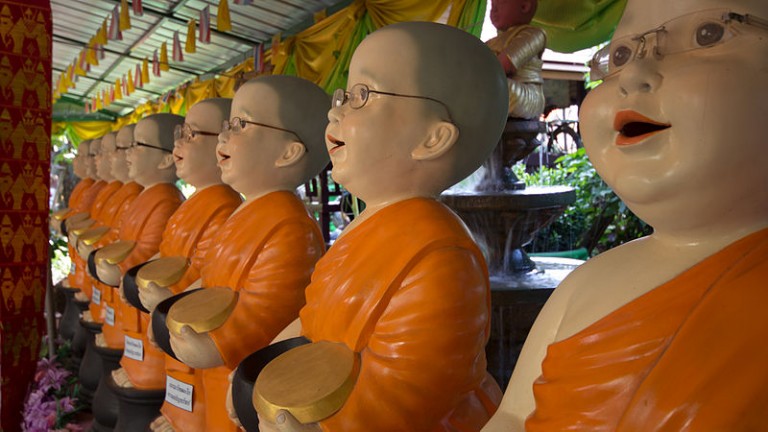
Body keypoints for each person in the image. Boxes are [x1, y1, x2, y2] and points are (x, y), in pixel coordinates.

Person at [482, 0, 768, 430]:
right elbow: (512, 415)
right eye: (620, 55)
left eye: (708, 34)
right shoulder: (586, 283)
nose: (633, 74)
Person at [253, 21, 509, 432]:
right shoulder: (368, 227)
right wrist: (261, 379)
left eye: (361, 96)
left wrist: (314, 425)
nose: (335, 111)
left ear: (432, 138)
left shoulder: (442, 258)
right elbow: (313, 321)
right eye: (343, 95)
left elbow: (405, 395)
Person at [160, 75, 330, 432]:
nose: (225, 136)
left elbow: (268, 310)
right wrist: (171, 309)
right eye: (226, 126)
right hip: (207, 364)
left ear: (288, 153)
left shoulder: (289, 225)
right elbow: (209, 276)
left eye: (240, 125)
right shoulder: (242, 211)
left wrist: (218, 341)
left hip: (242, 374)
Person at [108, 98, 242, 432]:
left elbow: (208, 280)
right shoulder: (187, 204)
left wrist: (163, 294)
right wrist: (138, 279)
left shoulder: (223, 208)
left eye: (191, 134)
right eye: (179, 133)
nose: (180, 141)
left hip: (199, 336)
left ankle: (185, 415)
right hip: (162, 323)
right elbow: (163, 252)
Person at [485, 0, 545, 119]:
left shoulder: (534, 34)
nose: (494, 10)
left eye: (500, 3)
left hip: (526, 94)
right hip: (496, 86)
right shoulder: (491, 42)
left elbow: (501, 67)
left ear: (524, 6)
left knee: (482, 83)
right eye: (492, 5)